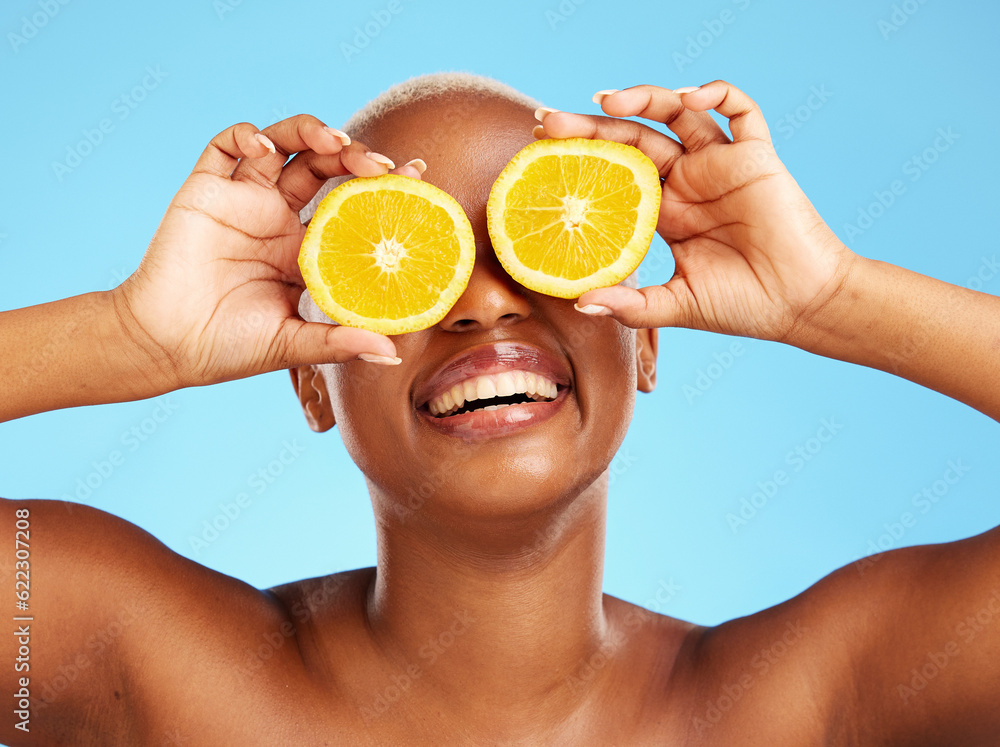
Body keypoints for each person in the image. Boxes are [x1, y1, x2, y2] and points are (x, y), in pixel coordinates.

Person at [1, 72, 998, 745]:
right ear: (312, 380)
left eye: (539, 251)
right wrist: (127, 335)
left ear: (644, 338)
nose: (482, 301)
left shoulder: (802, 705)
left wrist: (832, 297)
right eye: (403, 263)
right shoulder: (133, 657)